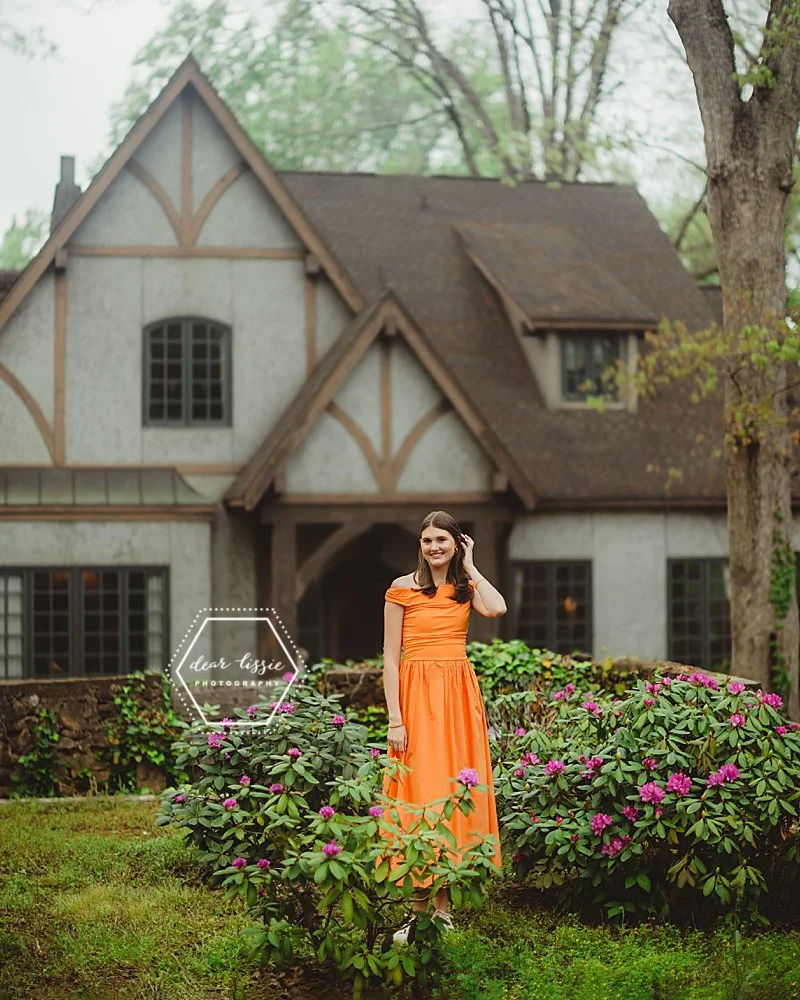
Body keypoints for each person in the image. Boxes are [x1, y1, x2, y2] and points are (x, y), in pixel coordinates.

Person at [379, 509, 506, 943]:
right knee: (418, 792)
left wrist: (470, 567)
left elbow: (497, 608)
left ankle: (443, 910)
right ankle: (417, 914)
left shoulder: (466, 589)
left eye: (443, 541)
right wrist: (395, 719)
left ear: (456, 544)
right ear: (420, 544)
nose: (434, 547)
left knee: (451, 792)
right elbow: (390, 660)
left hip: (456, 699)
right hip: (416, 698)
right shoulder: (401, 589)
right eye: (427, 540)